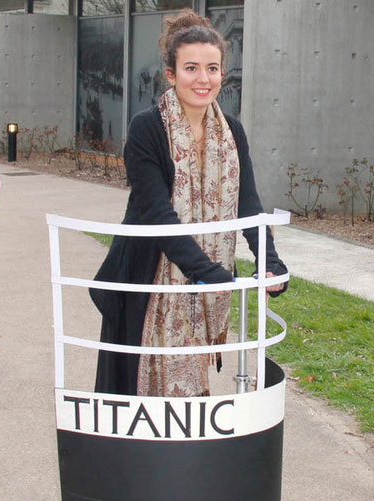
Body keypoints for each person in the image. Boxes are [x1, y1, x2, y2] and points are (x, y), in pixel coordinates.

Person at [90, 9, 288, 397]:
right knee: (134, 391)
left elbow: (247, 203)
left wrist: (269, 260)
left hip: (202, 277)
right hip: (147, 277)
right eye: (191, 68)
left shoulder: (232, 131)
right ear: (171, 74)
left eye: (212, 69)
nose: (203, 79)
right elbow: (155, 213)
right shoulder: (146, 128)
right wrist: (203, 269)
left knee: (193, 381)